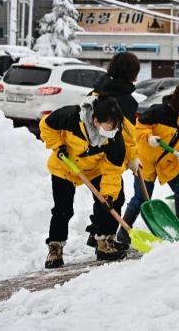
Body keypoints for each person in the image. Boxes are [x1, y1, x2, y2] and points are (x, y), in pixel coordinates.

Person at [40, 95, 127, 269]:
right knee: (62, 209)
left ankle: (104, 241)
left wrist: (108, 196)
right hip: (65, 166)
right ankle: (55, 248)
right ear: (95, 120)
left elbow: (112, 171)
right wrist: (58, 146)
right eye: (108, 126)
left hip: (94, 169)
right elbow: (46, 126)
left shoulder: (115, 139)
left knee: (114, 200)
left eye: (115, 127)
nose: (112, 131)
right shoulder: (70, 117)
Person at [117, 84, 179, 243]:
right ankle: (124, 230)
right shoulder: (158, 111)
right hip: (145, 160)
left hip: (167, 162)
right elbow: (139, 126)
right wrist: (149, 137)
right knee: (141, 198)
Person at [86, 52, 141, 249]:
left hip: (90, 154)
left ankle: (96, 234)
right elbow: (127, 134)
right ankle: (106, 241)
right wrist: (132, 158)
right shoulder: (126, 100)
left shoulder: (97, 90)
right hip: (110, 157)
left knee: (101, 197)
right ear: (132, 73)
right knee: (114, 198)